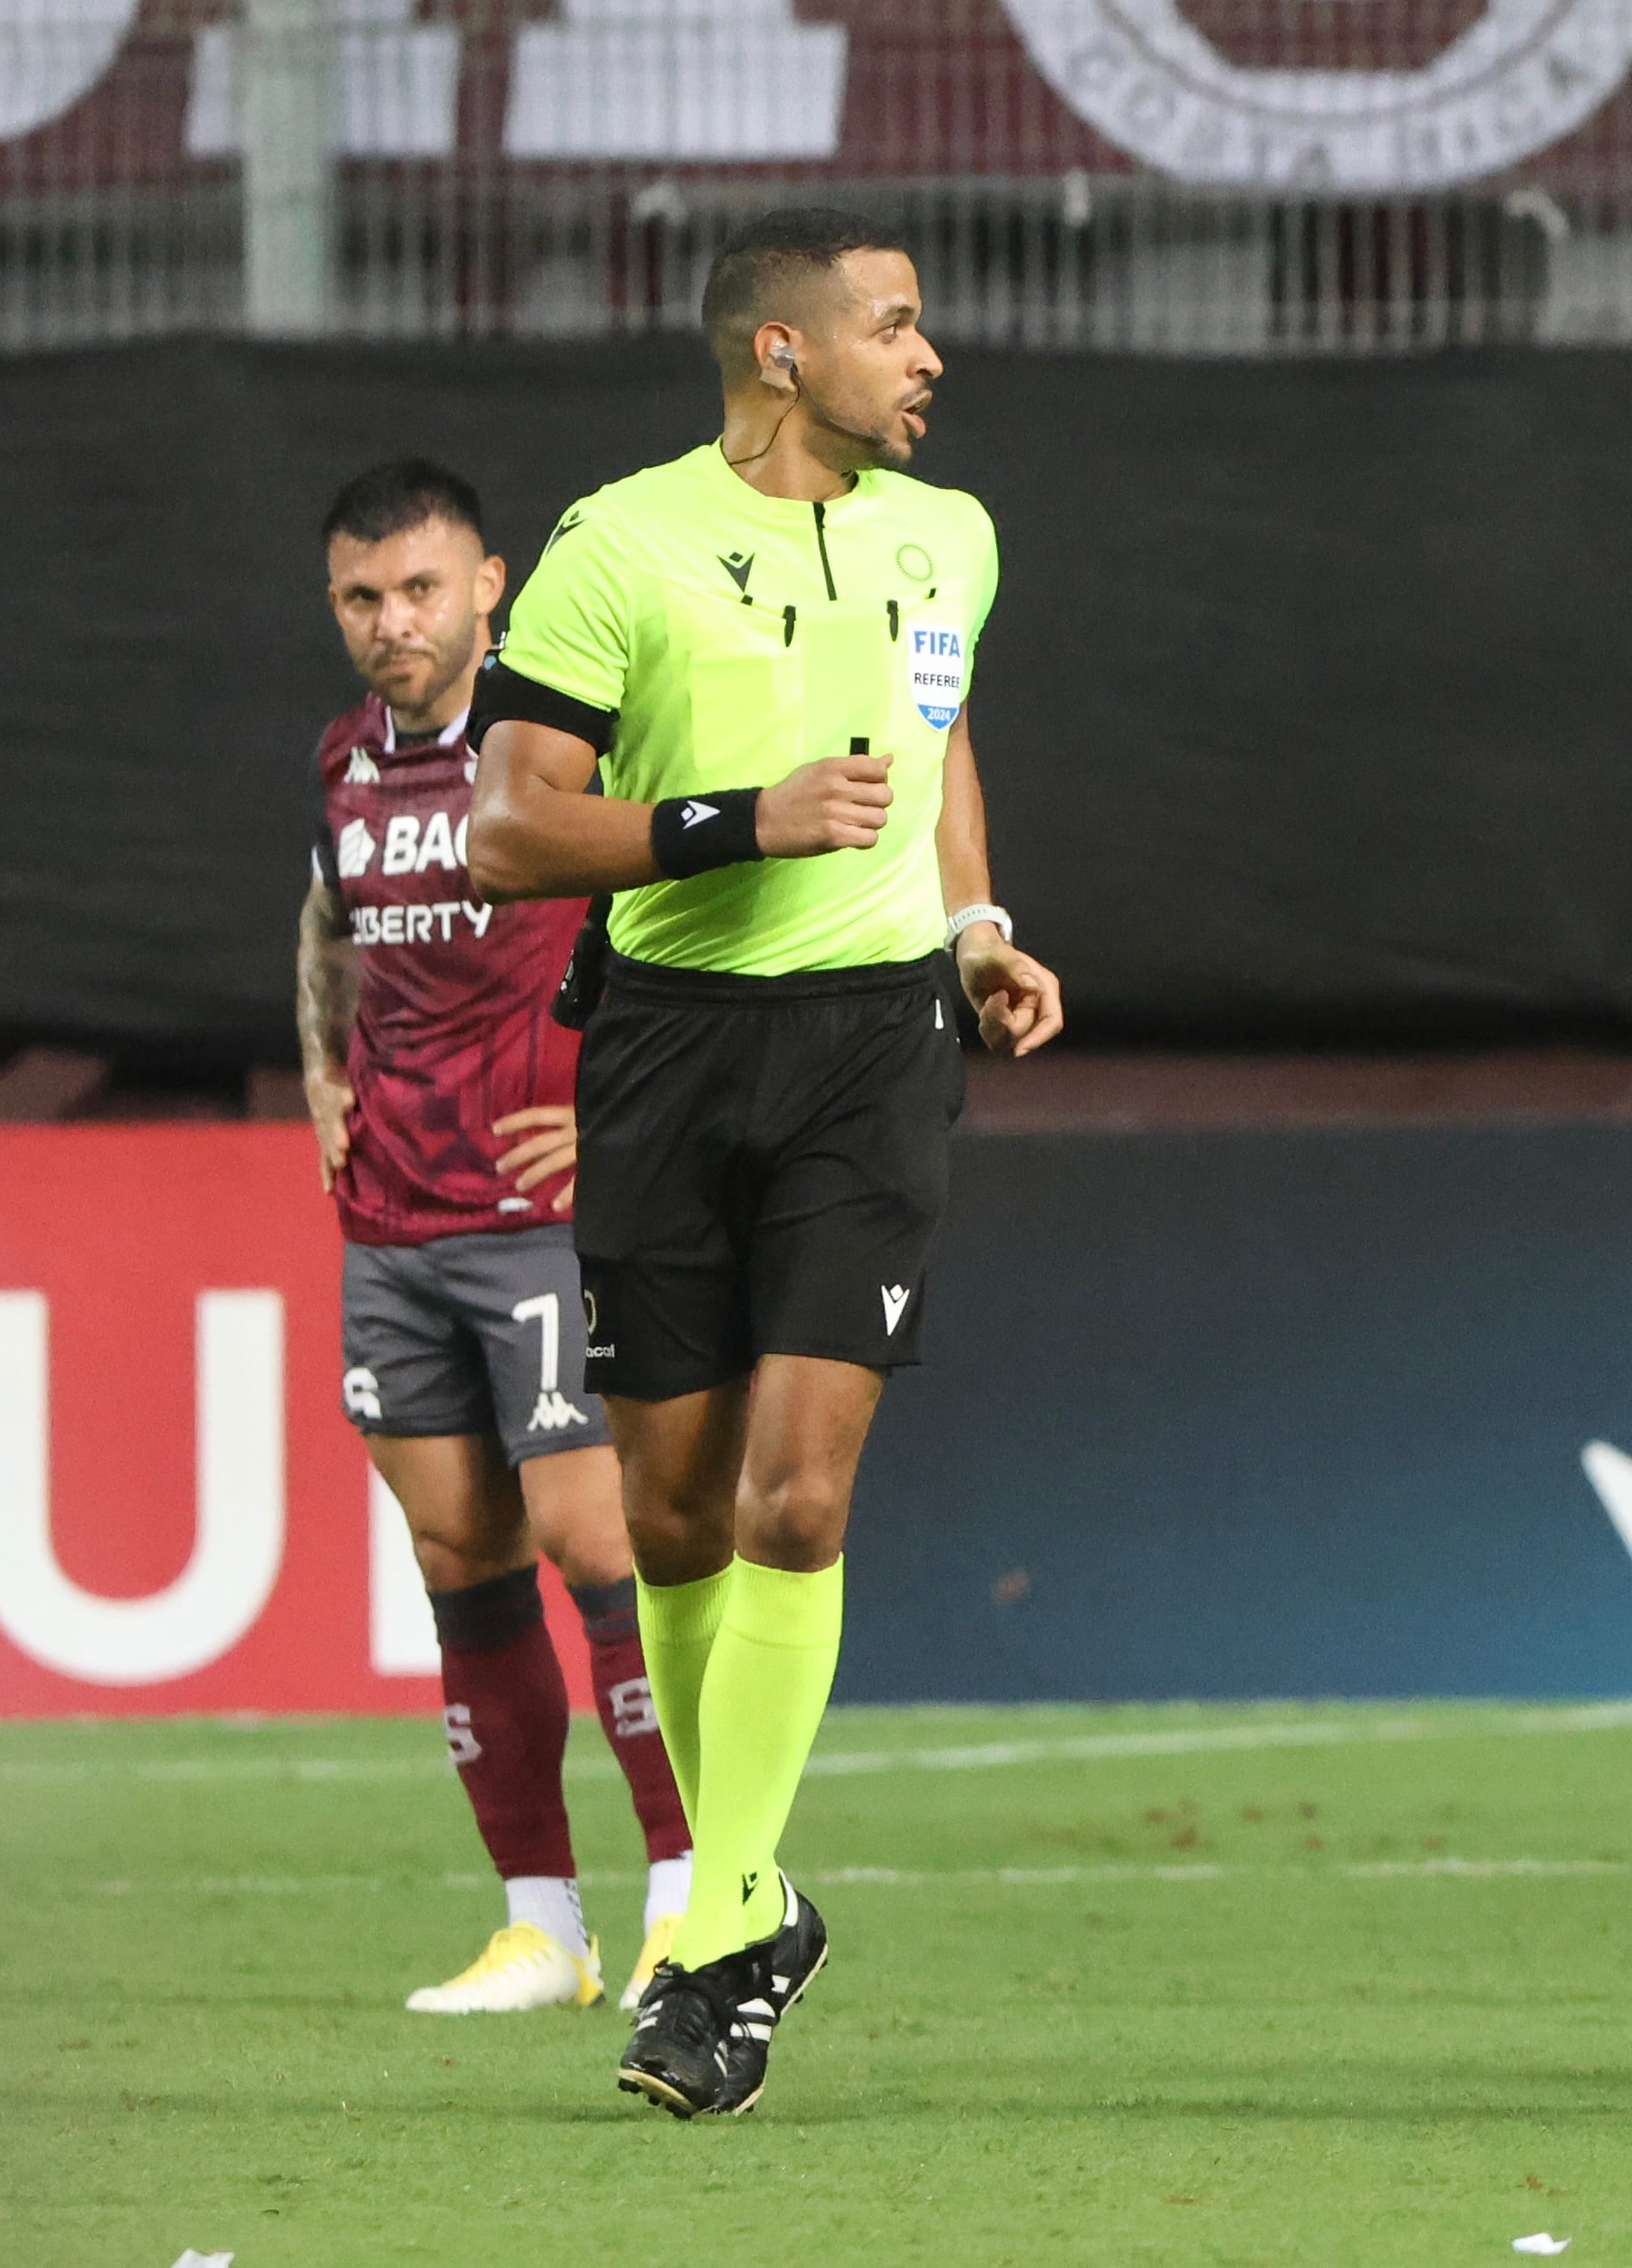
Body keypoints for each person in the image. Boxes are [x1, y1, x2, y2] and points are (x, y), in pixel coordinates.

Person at [462, 207, 1066, 2118]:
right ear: (782, 353)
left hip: (873, 1047)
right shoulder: (613, 542)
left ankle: (718, 1927)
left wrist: (973, 925)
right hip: (661, 1047)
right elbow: (504, 830)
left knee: (797, 1506)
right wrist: (743, 820)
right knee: (670, 1518)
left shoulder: (947, 532)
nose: (931, 355)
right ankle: (753, 1908)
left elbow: (937, 738)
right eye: (896, 325)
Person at [303, 457, 694, 2017]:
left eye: (420, 587)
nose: (394, 622)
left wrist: (620, 1123)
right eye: (362, 596)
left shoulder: (559, 756)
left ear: (491, 585)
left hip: (544, 1221)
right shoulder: (342, 760)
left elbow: (679, 921)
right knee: (460, 1558)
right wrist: (324, 1073)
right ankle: (544, 1925)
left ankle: (686, 1896)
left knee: (599, 1547)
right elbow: (328, 923)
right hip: (392, 1226)